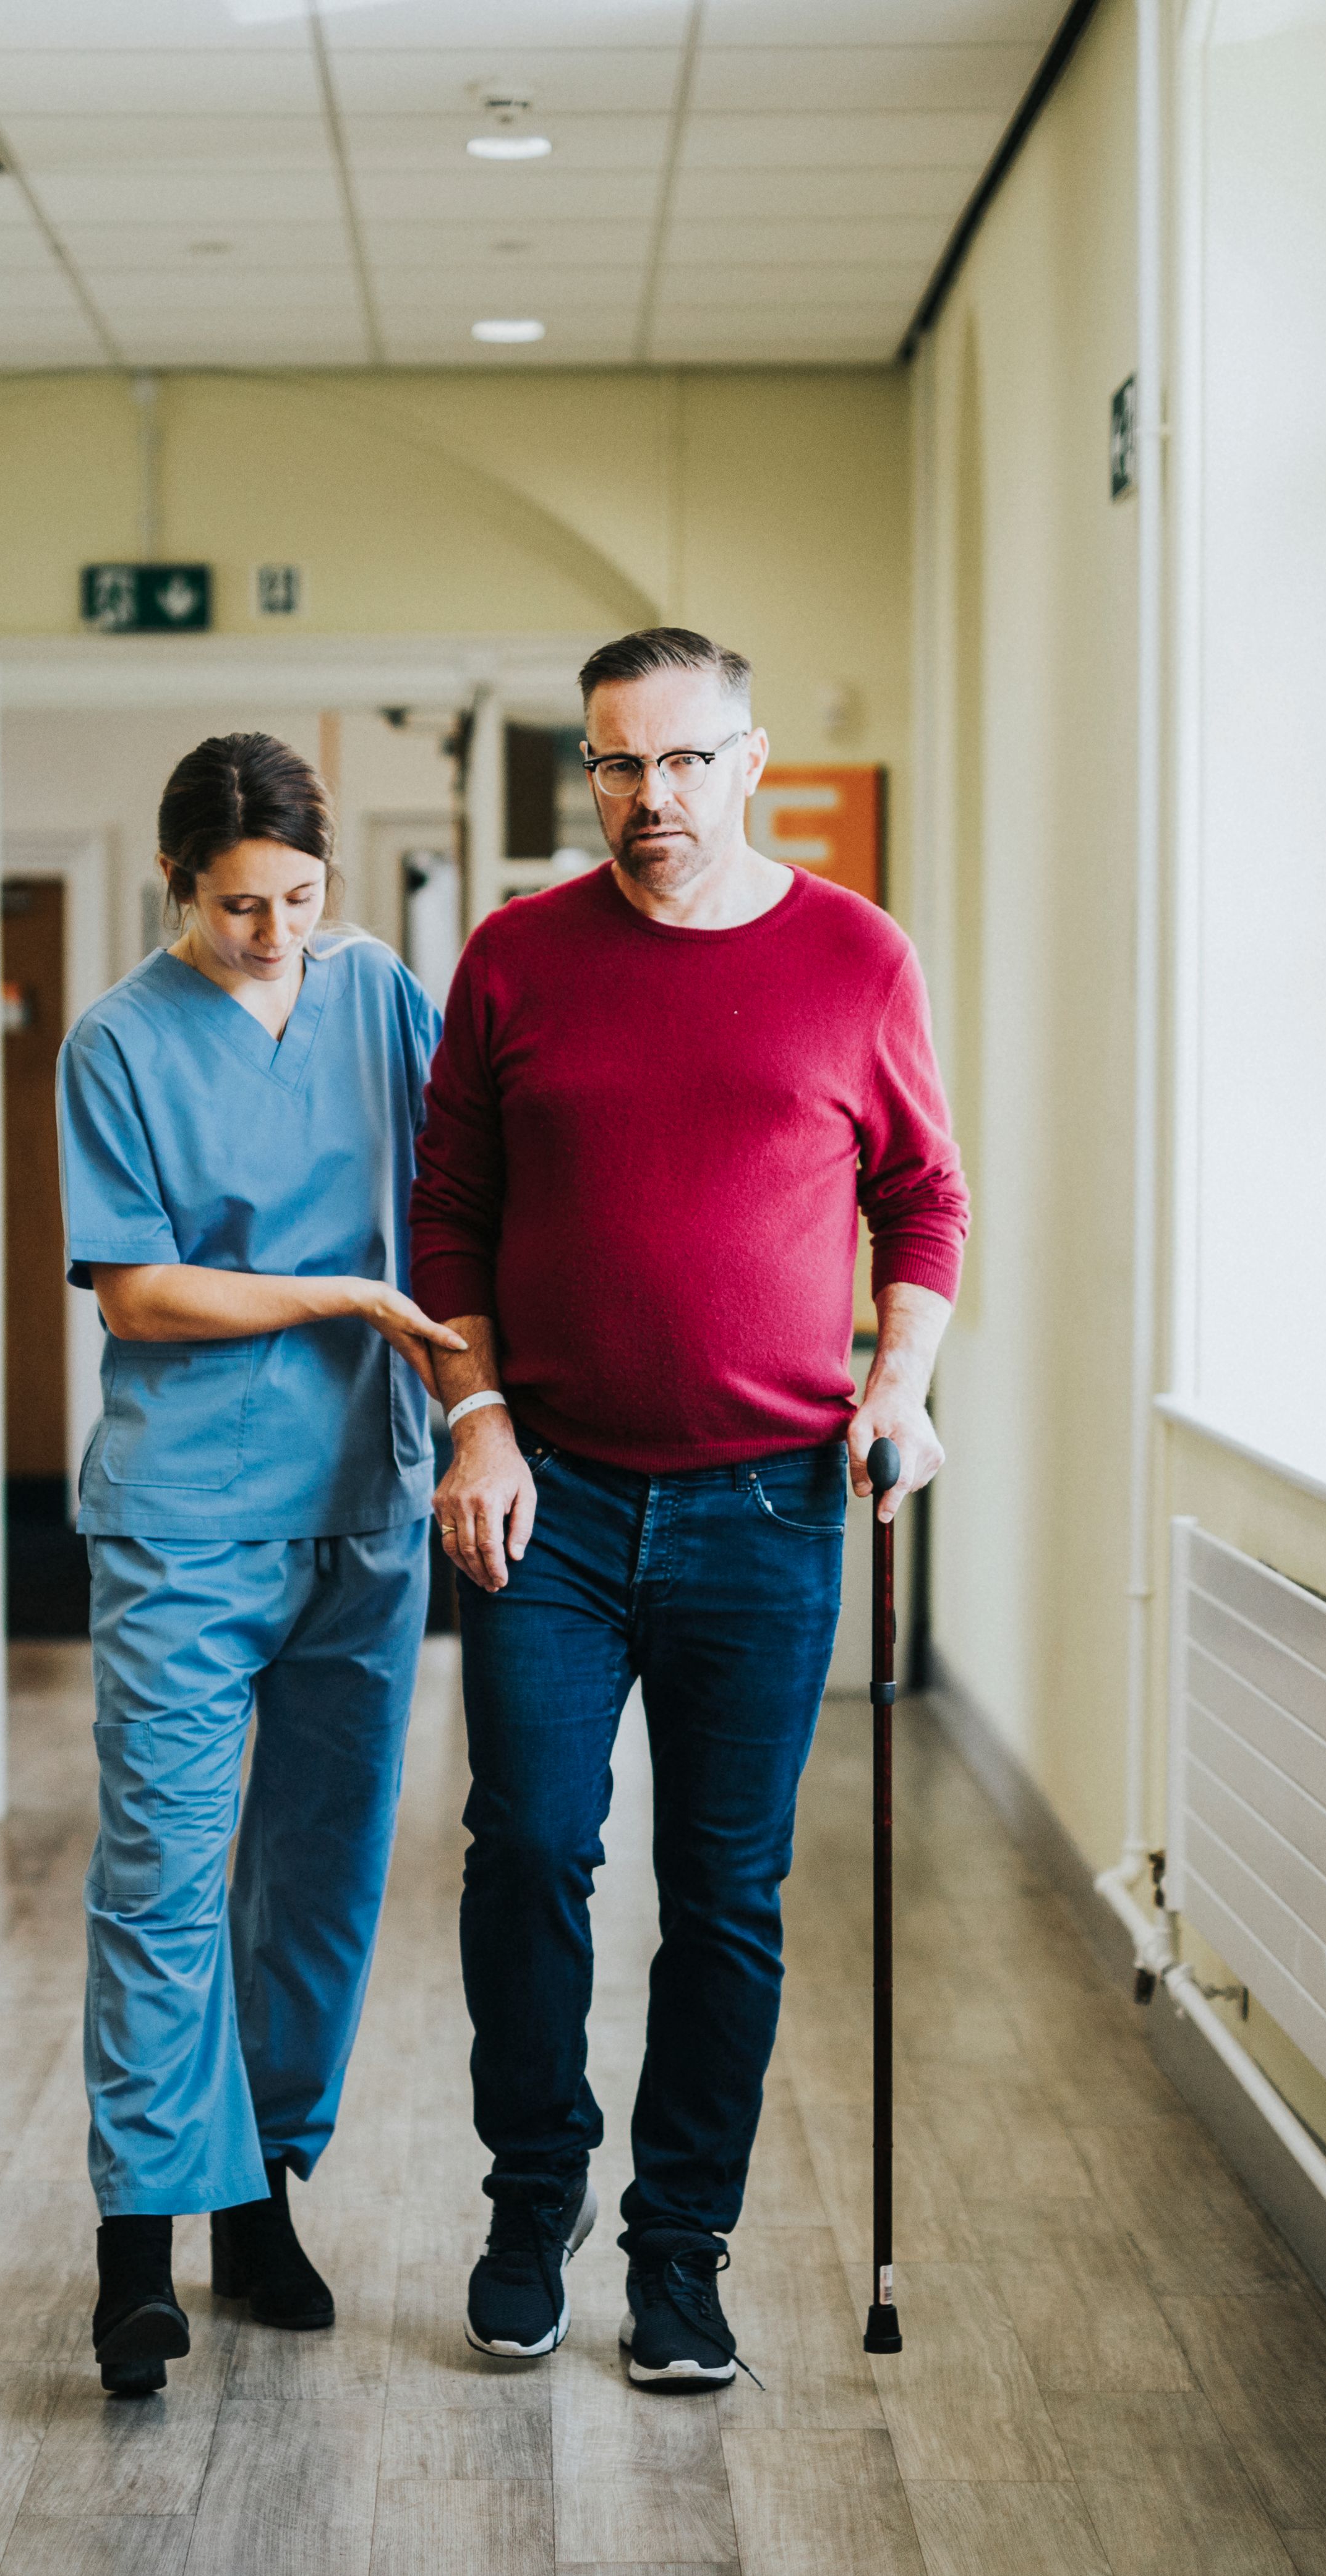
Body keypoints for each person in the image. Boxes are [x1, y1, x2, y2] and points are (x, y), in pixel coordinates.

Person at [411, 627, 969, 2391]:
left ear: (750, 760)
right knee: (528, 1857)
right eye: (615, 765)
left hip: (768, 1509)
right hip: (551, 1502)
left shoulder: (854, 960)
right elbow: (449, 1220)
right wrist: (477, 1422)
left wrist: (901, 1384)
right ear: (590, 773)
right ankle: (533, 2197)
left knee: (725, 1892)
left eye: (680, 761)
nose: (649, 799)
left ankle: (681, 2247)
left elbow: (925, 1198)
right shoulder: (515, 960)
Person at [57, 731, 458, 2400]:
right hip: (186, 1519)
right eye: (237, 906)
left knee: (322, 1872)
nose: (272, 932)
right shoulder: (120, 1044)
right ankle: (138, 2247)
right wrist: (346, 1300)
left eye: (299, 897)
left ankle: (260, 2193)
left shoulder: (387, 1005)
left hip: (364, 1507)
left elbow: (457, 1222)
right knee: (164, 1874)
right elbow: (138, 1293)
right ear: (177, 888)